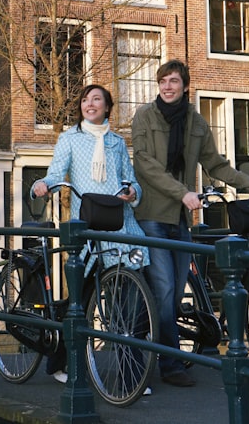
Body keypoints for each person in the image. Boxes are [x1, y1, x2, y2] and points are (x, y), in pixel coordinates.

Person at [132, 59, 249, 388]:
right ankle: (170, 363)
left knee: (175, 293)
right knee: (164, 289)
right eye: (163, 81)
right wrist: (183, 193)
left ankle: (137, 349)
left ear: (185, 86)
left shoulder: (196, 123)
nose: (167, 87)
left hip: (180, 219)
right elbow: (144, 164)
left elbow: (216, 164)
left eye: (173, 81)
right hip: (151, 215)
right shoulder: (144, 116)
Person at [32, 83, 150, 385]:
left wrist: (132, 192)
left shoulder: (117, 142)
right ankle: (62, 364)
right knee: (80, 303)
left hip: (121, 227)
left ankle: (132, 377)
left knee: (130, 309)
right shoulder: (69, 138)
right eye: (85, 99)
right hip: (87, 228)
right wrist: (42, 185)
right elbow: (56, 173)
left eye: (97, 99)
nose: (90, 103)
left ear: (107, 107)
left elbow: (132, 181)